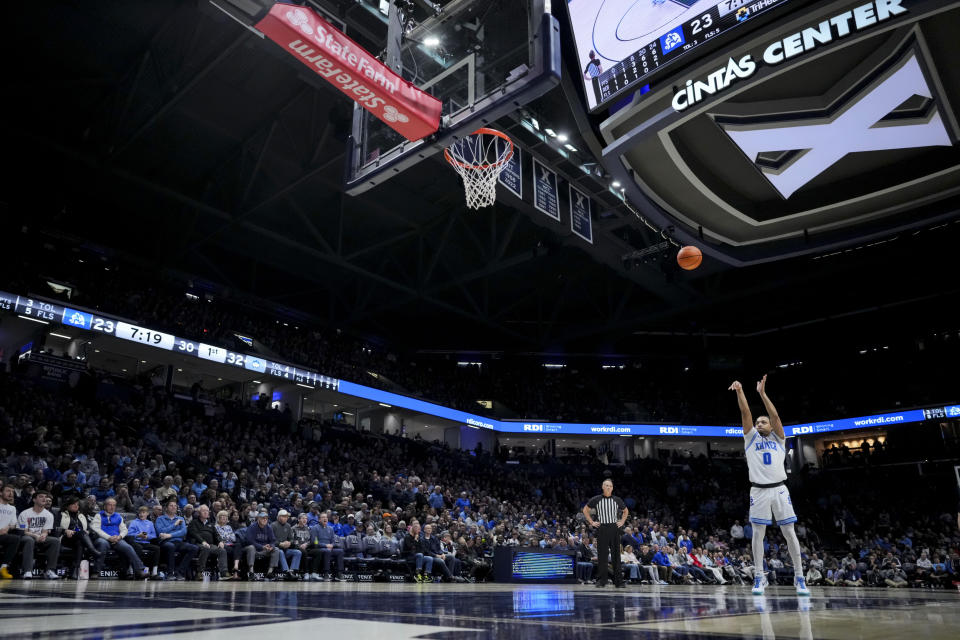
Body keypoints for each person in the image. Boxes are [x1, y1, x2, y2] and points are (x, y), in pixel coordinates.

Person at [730, 376, 810, 597]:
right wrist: (740, 391)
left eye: (762, 422)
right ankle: (758, 576)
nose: (759, 424)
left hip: (780, 489)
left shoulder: (779, 438)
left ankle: (799, 576)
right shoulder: (751, 438)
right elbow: (745, 414)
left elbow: (775, 416)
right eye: (757, 423)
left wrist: (763, 394)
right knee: (758, 534)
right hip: (759, 490)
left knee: (790, 533)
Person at [582, 479, 628, 588]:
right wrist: (592, 522)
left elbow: (626, 511)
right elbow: (585, 510)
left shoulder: (617, 500)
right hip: (602, 528)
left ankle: (618, 582)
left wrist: (622, 521)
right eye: (606, 485)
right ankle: (602, 580)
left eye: (610, 486)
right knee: (602, 556)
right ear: (603, 487)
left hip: (614, 528)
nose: (608, 487)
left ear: (612, 488)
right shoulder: (596, 499)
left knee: (616, 555)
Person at [90, 497, 148, 580]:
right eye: (110, 505)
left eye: (114, 505)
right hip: (103, 538)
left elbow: (124, 530)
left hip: (117, 539)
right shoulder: (98, 515)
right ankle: (96, 572)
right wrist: (109, 537)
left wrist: (119, 537)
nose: (112, 507)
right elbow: (95, 528)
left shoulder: (118, 516)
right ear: (105, 506)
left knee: (128, 547)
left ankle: (139, 570)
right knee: (102, 544)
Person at [17, 490, 60, 579]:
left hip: (40, 537)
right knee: (29, 540)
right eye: (41, 496)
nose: (44, 498)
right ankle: (28, 571)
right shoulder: (24, 513)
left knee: (55, 541)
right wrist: (35, 535)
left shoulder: (49, 515)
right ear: (34, 500)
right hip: (27, 536)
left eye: (45, 496)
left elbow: (45, 531)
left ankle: (50, 570)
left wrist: (44, 535)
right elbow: (24, 531)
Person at [188, 504, 230, 580]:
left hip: (210, 545)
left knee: (222, 550)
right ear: (199, 513)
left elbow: (216, 535)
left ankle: (224, 572)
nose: (206, 512)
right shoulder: (194, 522)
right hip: (198, 544)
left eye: (207, 511)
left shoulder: (211, 524)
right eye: (203, 511)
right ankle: (199, 572)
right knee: (205, 548)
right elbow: (194, 534)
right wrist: (203, 541)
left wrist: (220, 541)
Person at [126, 506, 162, 579]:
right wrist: (138, 535)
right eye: (140, 513)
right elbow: (129, 534)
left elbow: (154, 535)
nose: (141, 514)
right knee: (138, 548)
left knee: (157, 548)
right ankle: (132, 571)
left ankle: (154, 572)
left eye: (143, 512)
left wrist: (147, 536)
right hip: (136, 542)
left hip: (146, 542)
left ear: (147, 514)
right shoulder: (134, 522)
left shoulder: (150, 523)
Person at [0, 485, 20, 579]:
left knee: (15, 538)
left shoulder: (12, 508)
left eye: (12, 491)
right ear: (1, 493)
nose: (11, 493)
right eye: (8, 491)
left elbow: (14, 524)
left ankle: (3, 567)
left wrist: (7, 528)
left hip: (3, 535)